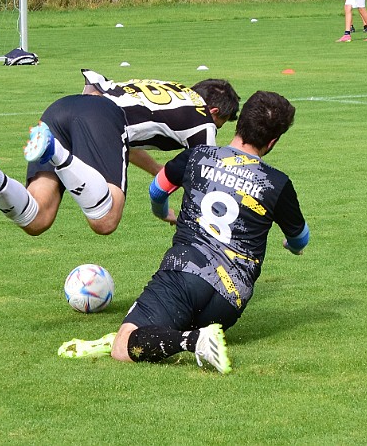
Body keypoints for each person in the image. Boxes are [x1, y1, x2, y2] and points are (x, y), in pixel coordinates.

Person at [58, 91, 310, 374]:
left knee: (124, 346)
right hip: (230, 300)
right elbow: (300, 237)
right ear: (272, 142)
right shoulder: (277, 183)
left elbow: (158, 187)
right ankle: (193, 333)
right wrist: (293, 246)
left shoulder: (197, 156)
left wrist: (162, 211)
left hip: (185, 274)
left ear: (239, 125)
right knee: (161, 326)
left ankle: (193, 341)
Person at [0, 95, 130, 235]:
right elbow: (120, 143)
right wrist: (156, 170)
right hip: (101, 113)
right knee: (106, 219)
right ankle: (56, 150)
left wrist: (153, 168)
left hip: (58, 109)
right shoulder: (156, 115)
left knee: (37, 219)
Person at [82, 69, 240, 176]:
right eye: (219, 123)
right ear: (214, 111)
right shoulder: (202, 120)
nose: (215, 128)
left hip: (84, 102)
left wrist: (158, 171)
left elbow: (125, 139)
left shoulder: (176, 89)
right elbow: (208, 174)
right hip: (96, 124)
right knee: (107, 219)